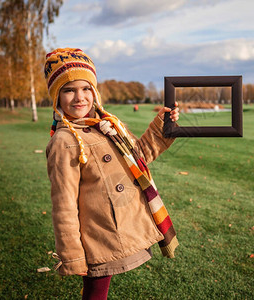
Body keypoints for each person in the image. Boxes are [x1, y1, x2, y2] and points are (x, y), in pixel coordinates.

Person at [44, 48, 180, 300]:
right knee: (96, 290)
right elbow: (63, 205)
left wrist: (162, 125)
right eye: (68, 90)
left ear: (95, 91)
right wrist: (73, 255)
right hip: (95, 234)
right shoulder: (65, 140)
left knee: (99, 289)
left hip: (113, 227)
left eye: (86, 88)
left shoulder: (108, 125)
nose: (79, 97)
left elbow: (138, 155)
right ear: (57, 98)